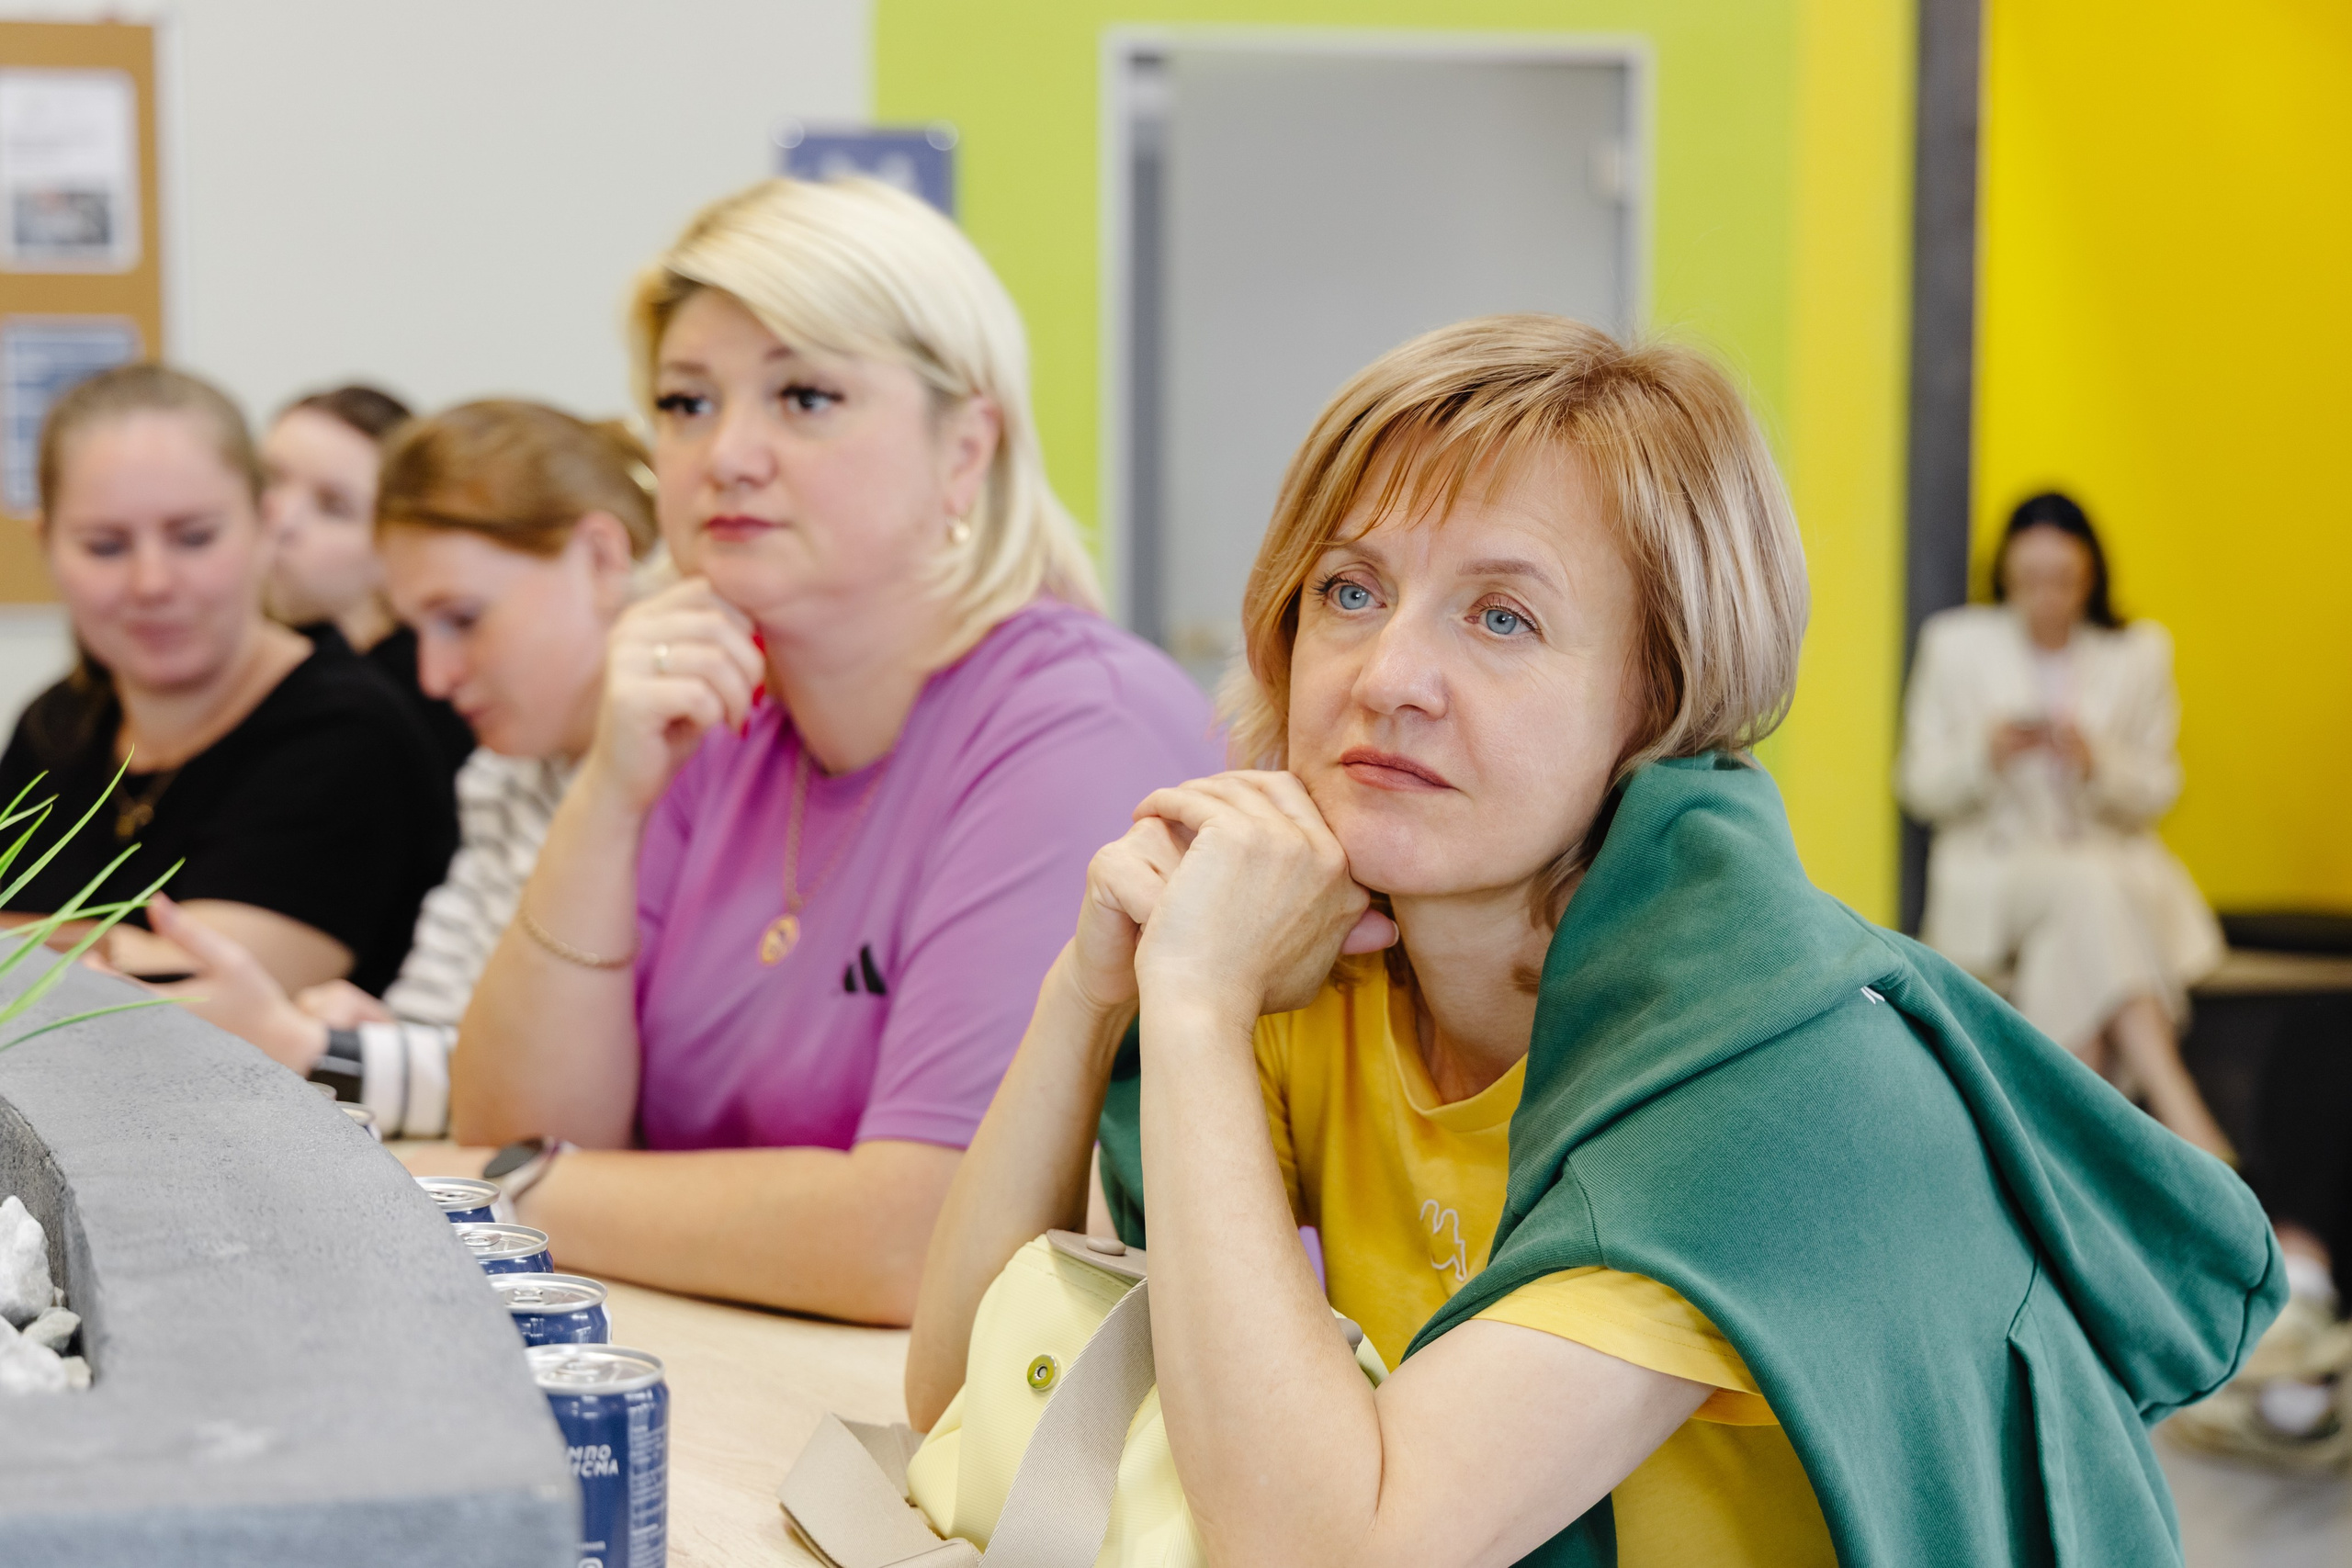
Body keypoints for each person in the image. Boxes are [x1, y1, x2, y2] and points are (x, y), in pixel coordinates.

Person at [906, 318, 2278, 1566]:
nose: (1389, 677)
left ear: (1659, 698)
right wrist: (1091, 989)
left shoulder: (1763, 1078)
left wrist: (1196, 1003)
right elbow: (967, 1393)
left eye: (1502, 617)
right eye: (1350, 590)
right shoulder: (1324, 959)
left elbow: (1331, 1550)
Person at [443, 176, 1219, 1325]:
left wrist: (512, 1190)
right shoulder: (717, 710)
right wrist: (608, 793)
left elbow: (923, 1240)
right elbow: (518, 1120)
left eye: (804, 397)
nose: (726, 455)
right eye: (685, 403)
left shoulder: (1079, 726)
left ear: (964, 450)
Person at [124, 400, 658, 1138]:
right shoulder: (504, 777)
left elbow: (566, 1101)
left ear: (600, 559)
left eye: (463, 619)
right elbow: (447, 1028)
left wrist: (310, 1047)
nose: (433, 675)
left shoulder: (685, 780)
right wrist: (369, 1036)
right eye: (417, 629)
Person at [0, 364, 456, 994]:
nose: (152, 583)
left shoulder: (350, 732)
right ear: (47, 544)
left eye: (194, 538)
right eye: (106, 546)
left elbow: (204, 993)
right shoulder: (57, 724)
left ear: (265, 524)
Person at [1898, 491, 2230, 1156]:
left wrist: (2097, 763)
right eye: (2029, 579)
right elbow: (1916, 785)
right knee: (2089, 886)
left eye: (2063, 580)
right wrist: (1984, 755)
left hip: (2103, 873)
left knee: (2077, 925)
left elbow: (2163, 787)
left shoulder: (2138, 651)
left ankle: (2065, 1164)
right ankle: (2184, 1116)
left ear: (2091, 575)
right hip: (1997, 877)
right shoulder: (1954, 644)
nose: (2046, 597)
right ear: (2004, 575)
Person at [262, 382, 478, 778]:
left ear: (397, 550)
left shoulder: (413, 708)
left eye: (333, 507)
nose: (281, 519)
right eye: (268, 479)